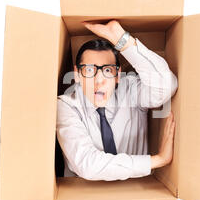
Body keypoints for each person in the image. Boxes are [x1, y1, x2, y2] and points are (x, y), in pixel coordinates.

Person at [56, 19, 177, 181]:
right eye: (90, 70)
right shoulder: (65, 105)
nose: (99, 81)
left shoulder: (130, 90)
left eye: (107, 70)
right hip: (84, 195)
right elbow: (88, 165)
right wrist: (157, 160)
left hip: (139, 191)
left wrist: (122, 39)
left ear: (118, 74)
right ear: (77, 74)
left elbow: (166, 85)